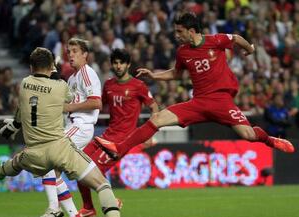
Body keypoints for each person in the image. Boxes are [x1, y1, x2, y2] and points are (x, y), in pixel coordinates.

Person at [0, 47, 144, 217]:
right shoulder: (60, 86)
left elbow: (23, 109)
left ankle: (0, 171)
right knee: (102, 185)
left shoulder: (24, 84)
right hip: (59, 148)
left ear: (30, 67)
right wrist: (56, 76)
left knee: (17, 162)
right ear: (51, 66)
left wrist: (13, 127)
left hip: (33, 152)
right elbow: (69, 97)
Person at [93, 12, 295, 162]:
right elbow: (175, 73)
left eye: (179, 32)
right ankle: (119, 148)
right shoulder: (183, 52)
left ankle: (270, 140)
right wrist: (154, 75)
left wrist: (250, 49)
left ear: (191, 31)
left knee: (249, 135)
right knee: (157, 118)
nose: (177, 35)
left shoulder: (215, 41)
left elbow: (237, 38)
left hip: (221, 101)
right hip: (198, 102)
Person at [78, 48, 159, 217]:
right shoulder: (108, 85)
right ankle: (88, 207)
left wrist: (149, 133)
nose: (118, 66)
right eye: (115, 62)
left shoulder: (139, 86)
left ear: (128, 64)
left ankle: (112, 201)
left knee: (92, 170)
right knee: (78, 164)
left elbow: (154, 107)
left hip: (122, 141)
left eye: (121, 62)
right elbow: (98, 106)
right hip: (107, 135)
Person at [33, 38, 102, 217]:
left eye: (74, 51)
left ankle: (54, 207)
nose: (70, 54)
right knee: (53, 169)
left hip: (81, 125)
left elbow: (96, 103)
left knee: (48, 157)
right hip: (73, 125)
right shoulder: (72, 78)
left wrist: (69, 106)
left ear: (85, 54)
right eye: (68, 51)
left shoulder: (87, 74)